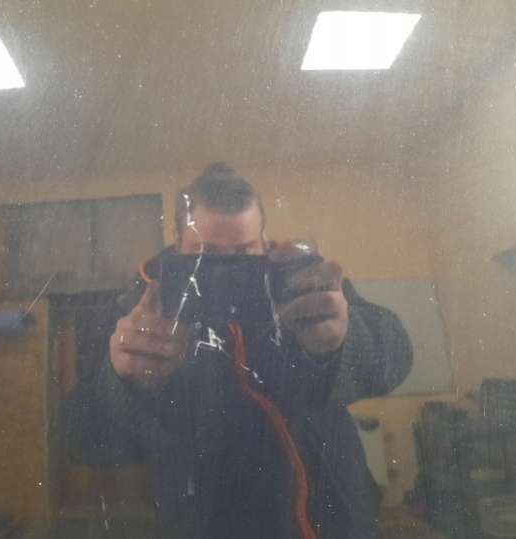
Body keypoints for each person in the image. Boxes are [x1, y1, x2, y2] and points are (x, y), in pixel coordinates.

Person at [62, 163, 412, 539]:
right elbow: (81, 441)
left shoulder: (299, 280)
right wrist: (126, 384)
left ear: (264, 240)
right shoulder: (136, 313)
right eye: (205, 255)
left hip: (333, 521)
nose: (225, 270)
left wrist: (342, 340)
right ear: (177, 242)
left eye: (244, 253)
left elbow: (398, 355)